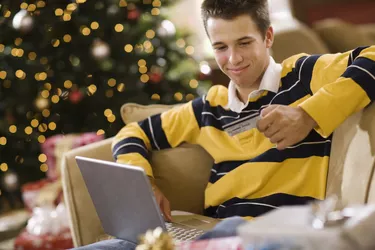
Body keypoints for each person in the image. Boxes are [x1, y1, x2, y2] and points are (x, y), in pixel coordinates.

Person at [74, 0, 375, 249]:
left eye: (244, 43)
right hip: (213, 232)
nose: (233, 59)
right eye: (220, 47)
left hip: (272, 234)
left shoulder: (305, 74)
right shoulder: (207, 108)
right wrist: (145, 182)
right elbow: (132, 133)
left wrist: (308, 115)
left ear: (268, 37)